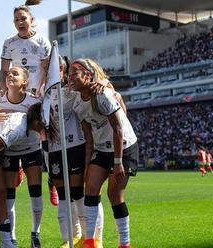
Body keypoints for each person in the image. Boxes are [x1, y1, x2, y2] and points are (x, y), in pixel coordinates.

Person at [68, 58, 139, 248]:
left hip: (123, 147)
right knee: (90, 190)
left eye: (74, 73)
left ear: (88, 75)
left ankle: (124, 243)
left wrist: (118, 162)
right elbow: (89, 138)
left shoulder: (103, 95)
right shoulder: (77, 104)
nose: (70, 77)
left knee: (114, 195)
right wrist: (87, 164)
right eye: (69, 74)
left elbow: (118, 129)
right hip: (101, 149)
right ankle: (89, 241)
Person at [44, 56, 104, 248]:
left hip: (75, 147)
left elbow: (94, 83)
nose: (47, 71)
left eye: (50, 67)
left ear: (60, 67)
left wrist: (104, 82)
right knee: (63, 196)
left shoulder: (72, 88)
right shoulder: (43, 93)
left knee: (80, 194)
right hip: (54, 150)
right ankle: (70, 238)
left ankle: (92, 238)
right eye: (45, 68)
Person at [0, 66, 42, 247]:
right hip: (9, 151)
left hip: (31, 149)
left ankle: (35, 234)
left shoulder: (35, 101)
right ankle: (11, 236)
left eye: (15, 73)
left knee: (35, 190)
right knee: (9, 194)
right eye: (8, 73)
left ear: (25, 81)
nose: (9, 75)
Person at [0, 4, 51, 97]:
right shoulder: (9, 42)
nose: (20, 22)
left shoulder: (42, 41)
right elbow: (3, 70)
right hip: (16, 94)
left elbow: (46, 70)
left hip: (37, 94)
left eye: (23, 19)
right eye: (17, 20)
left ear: (31, 20)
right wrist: (4, 90)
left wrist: (41, 91)